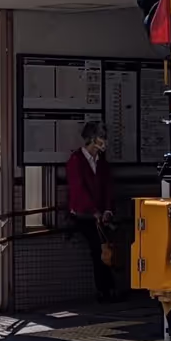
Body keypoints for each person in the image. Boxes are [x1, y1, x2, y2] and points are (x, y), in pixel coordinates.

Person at [63, 121, 117, 302]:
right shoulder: (76, 160)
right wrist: (95, 211)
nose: (105, 142)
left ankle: (108, 288)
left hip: (99, 215)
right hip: (83, 215)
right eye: (102, 138)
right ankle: (105, 290)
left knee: (105, 249)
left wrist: (108, 209)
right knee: (98, 249)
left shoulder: (101, 162)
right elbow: (78, 189)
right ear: (93, 139)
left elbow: (108, 187)